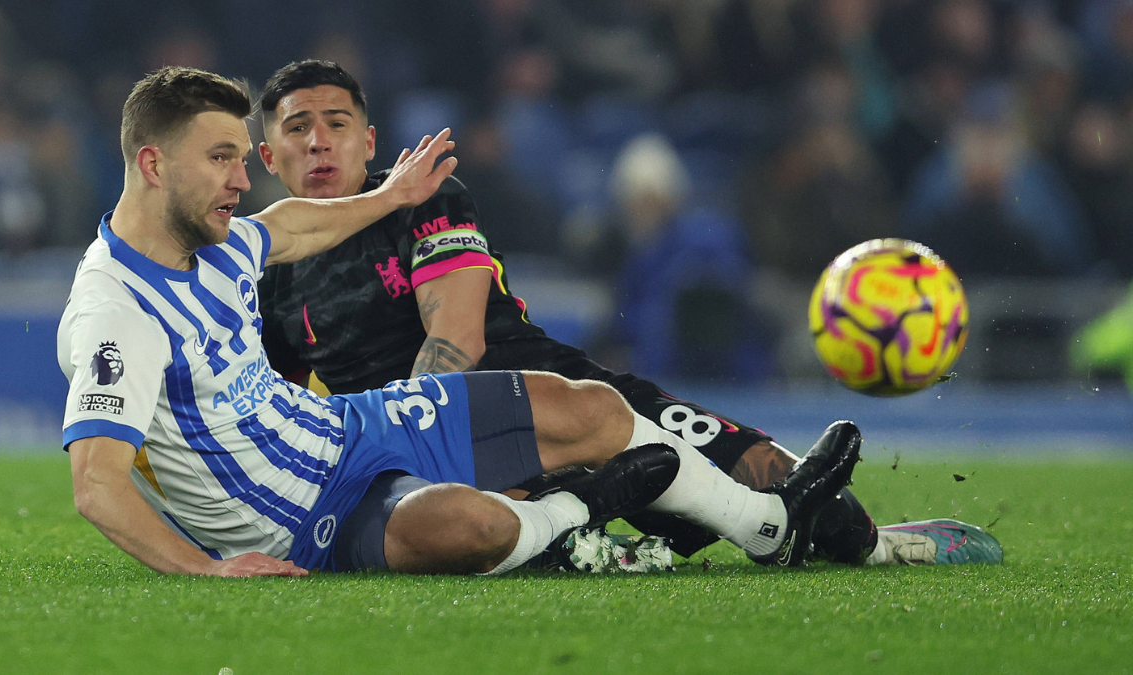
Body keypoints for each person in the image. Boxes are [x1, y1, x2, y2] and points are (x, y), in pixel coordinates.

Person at [59, 65, 867, 578]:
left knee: (594, 408)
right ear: (152, 164)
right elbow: (96, 485)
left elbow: (295, 225)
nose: (242, 179)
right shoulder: (114, 313)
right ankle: (573, 517)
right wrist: (204, 571)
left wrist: (390, 197)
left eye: (242, 157)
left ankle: (769, 529)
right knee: (471, 522)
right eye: (222, 159)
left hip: (353, 424)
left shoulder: (224, 242)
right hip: (303, 523)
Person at [255, 60, 1003, 567]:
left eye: (336, 122)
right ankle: (590, 536)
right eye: (297, 127)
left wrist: (423, 445)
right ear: (269, 156)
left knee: (769, 468)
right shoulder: (267, 279)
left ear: (369, 140)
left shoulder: (425, 198)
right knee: (486, 531)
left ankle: (886, 546)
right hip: (428, 463)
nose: (319, 140)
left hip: (547, 391)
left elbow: (458, 334)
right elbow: (278, 409)